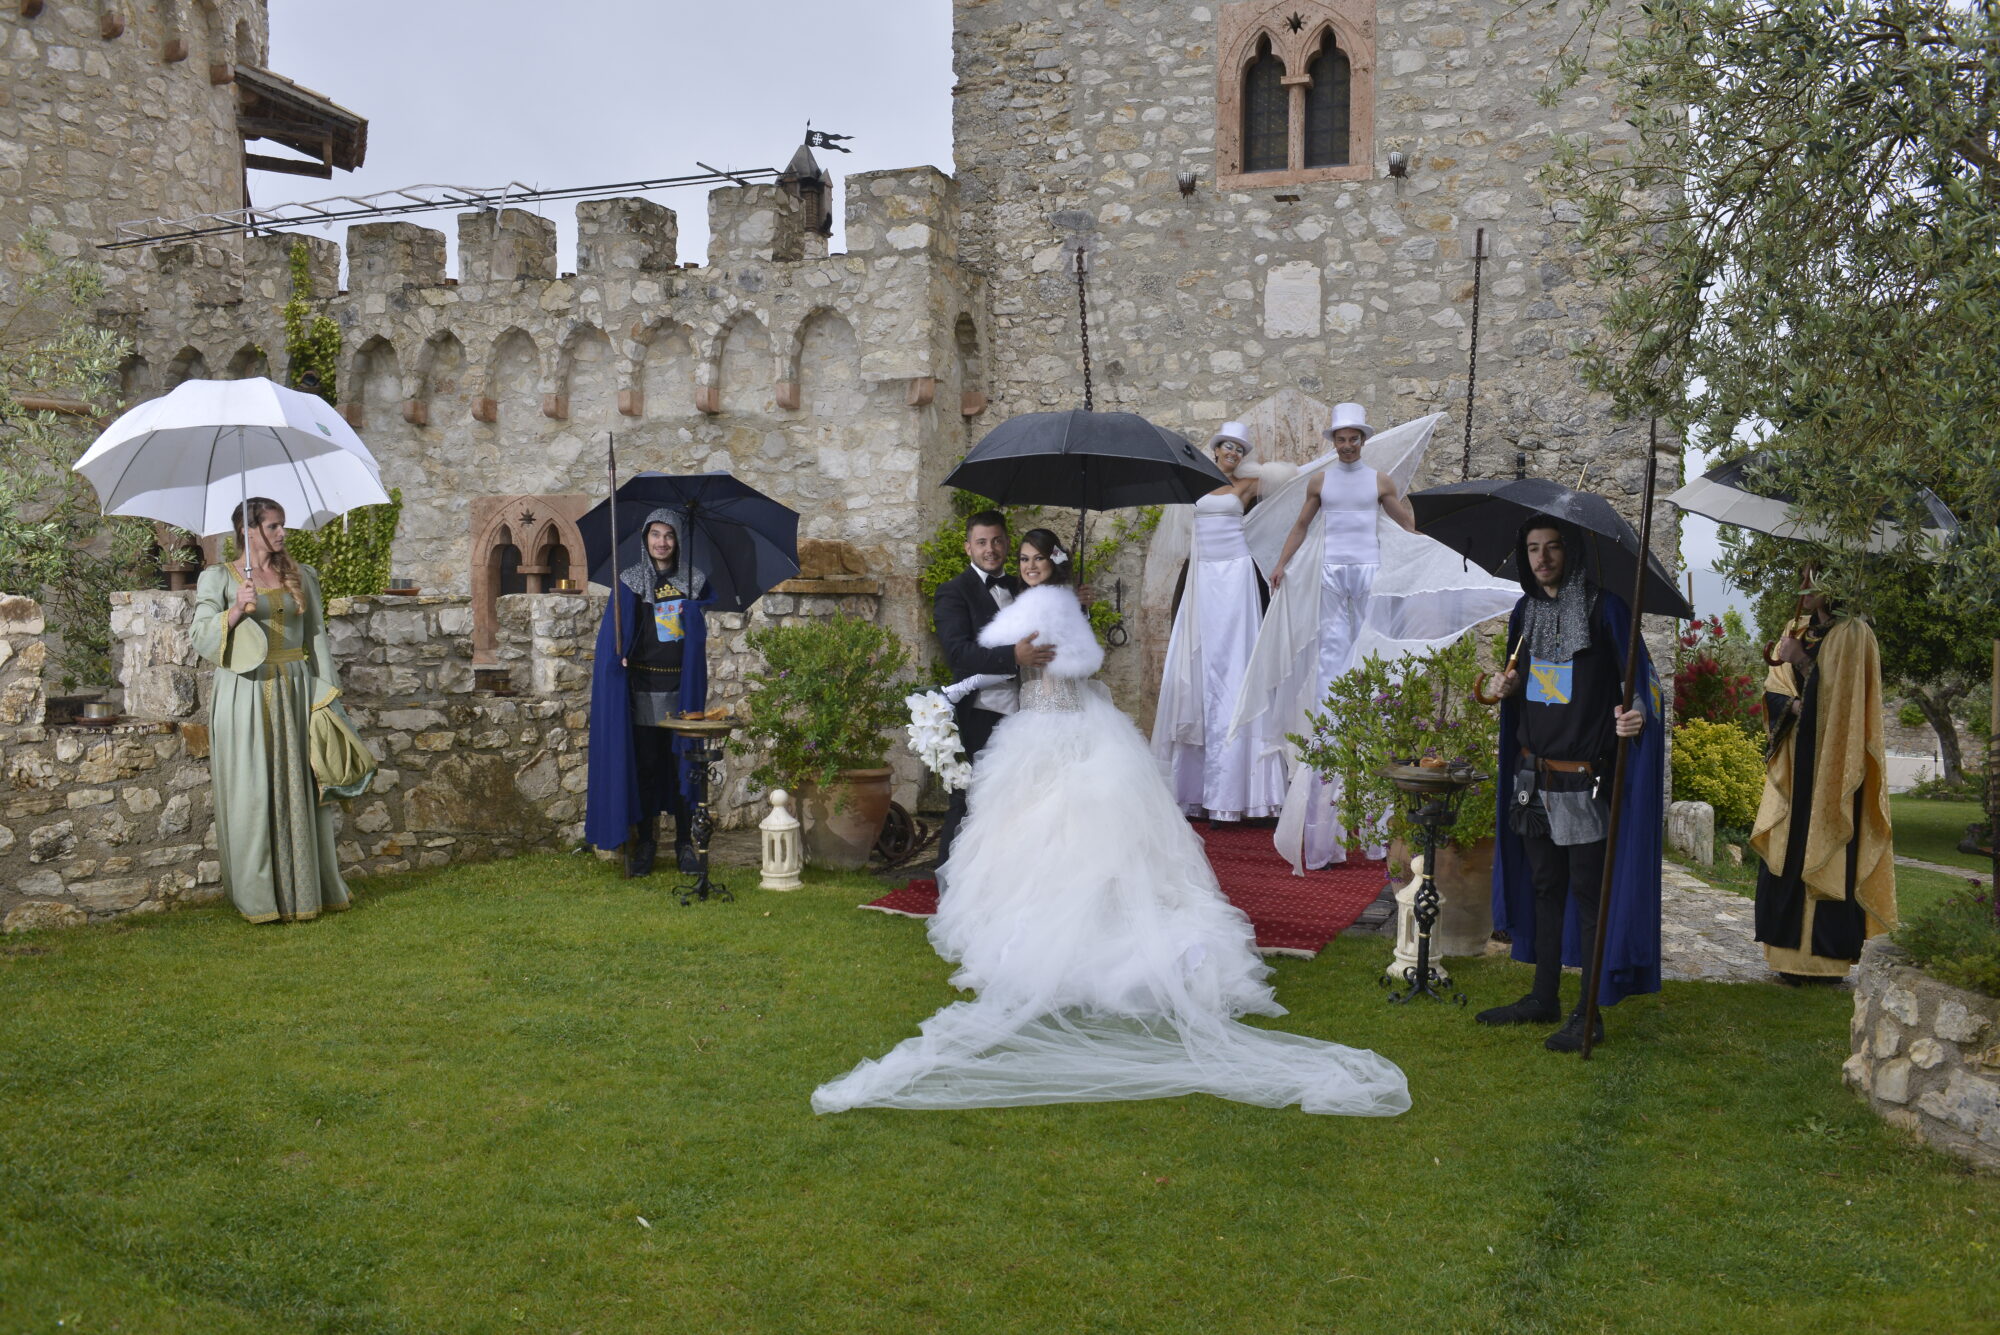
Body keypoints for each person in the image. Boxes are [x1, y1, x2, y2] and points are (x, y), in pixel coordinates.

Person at [812, 529, 1410, 1116]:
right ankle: (1031, 922)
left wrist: (1047, 638)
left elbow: (1071, 662)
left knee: (1080, 831)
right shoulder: (1027, 604)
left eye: (1035, 558)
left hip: (1066, 731)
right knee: (1027, 835)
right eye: (1020, 558)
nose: (1026, 566)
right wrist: (951, 690)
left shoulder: (1054, 607)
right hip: (1030, 731)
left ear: (1054, 562)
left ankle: (1080, 935)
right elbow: (991, 662)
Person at [1479, 515, 1662, 1052]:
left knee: (1587, 892)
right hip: (1532, 774)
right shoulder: (1523, 612)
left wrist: (1637, 714)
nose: (1542, 559)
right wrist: (1506, 688)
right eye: (1533, 549)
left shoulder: (1606, 609)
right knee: (1544, 886)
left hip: (1585, 778)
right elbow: (1531, 688)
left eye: (1553, 547)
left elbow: (1643, 683)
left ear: (1571, 551)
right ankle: (1543, 996)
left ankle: (1588, 1013)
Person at [190, 498, 353, 923]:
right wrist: (234, 611)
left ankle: (305, 890)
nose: (282, 533)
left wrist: (328, 696)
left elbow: (316, 639)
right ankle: (260, 895)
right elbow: (199, 635)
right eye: (274, 526)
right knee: (253, 789)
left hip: (297, 688)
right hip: (245, 692)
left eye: (284, 525)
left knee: (301, 785)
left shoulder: (301, 577)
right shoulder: (219, 579)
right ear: (248, 530)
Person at [1751, 576, 1896, 982]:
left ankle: (1825, 961)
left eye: (1813, 579)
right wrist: (1790, 698)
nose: (1803, 588)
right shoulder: (1794, 629)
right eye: (1801, 579)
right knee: (1789, 849)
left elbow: (1846, 708)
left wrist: (1799, 661)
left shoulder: (1855, 634)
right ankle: (1784, 954)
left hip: (1834, 766)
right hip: (1797, 765)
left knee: (1829, 846)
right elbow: (1774, 690)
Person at [1151, 421, 1289, 823]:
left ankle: (1243, 790)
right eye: (1226, 447)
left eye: (1238, 449)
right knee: (1198, 665)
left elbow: (1291, 483)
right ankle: (1193, 788)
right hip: (1203, 576)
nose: (1232, 453)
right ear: (1215, 450)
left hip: (1236, 574)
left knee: (1235, 664)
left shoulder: (1247, 486)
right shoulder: (1191, 486)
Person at [585, 508, 711, 876]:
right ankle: (646, 844)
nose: (662, 542)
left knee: (683, 767)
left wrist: (693, 613)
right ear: (645, 539)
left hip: (680, 687)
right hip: (641, 685)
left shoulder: (694, 579)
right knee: (646, 766)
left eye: (668, 535)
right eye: (655, 534)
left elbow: (699, 632)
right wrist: (618, 657)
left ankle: (685, 844)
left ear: (677, 541)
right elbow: (614, 636)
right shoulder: (629, 580)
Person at [930, 509, 1054, 882]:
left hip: (1028, 710)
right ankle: (950, 883)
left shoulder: (1025, 585)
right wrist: (1010, 656)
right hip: (980, 712)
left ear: (1007, 543)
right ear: (968, 546)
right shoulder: (954, 591)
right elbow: (957, 652)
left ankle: (1002, 882)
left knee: (1018, 801)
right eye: (982, 542)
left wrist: (1074, 598)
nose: (991, 549)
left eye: (998, 541)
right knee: (968, 799)